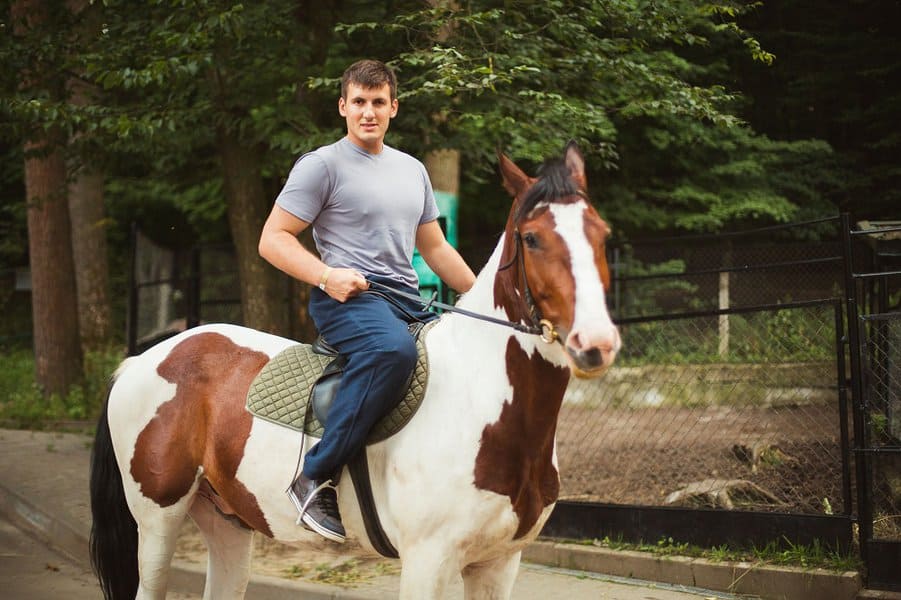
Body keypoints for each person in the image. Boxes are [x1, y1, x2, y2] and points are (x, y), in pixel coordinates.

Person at [258, 59, 476, 543]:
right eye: (359, 102)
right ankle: (315, 475)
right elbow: (272, 239)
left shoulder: (412, 170)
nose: (368, 112)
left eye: (378, 102)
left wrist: (483, 299)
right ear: (343, 107)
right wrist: (325, 275)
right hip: (347, 301)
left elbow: (434, 248)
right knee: (391, 351)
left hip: (406, 299)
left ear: (393, 108)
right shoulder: (320, 166)